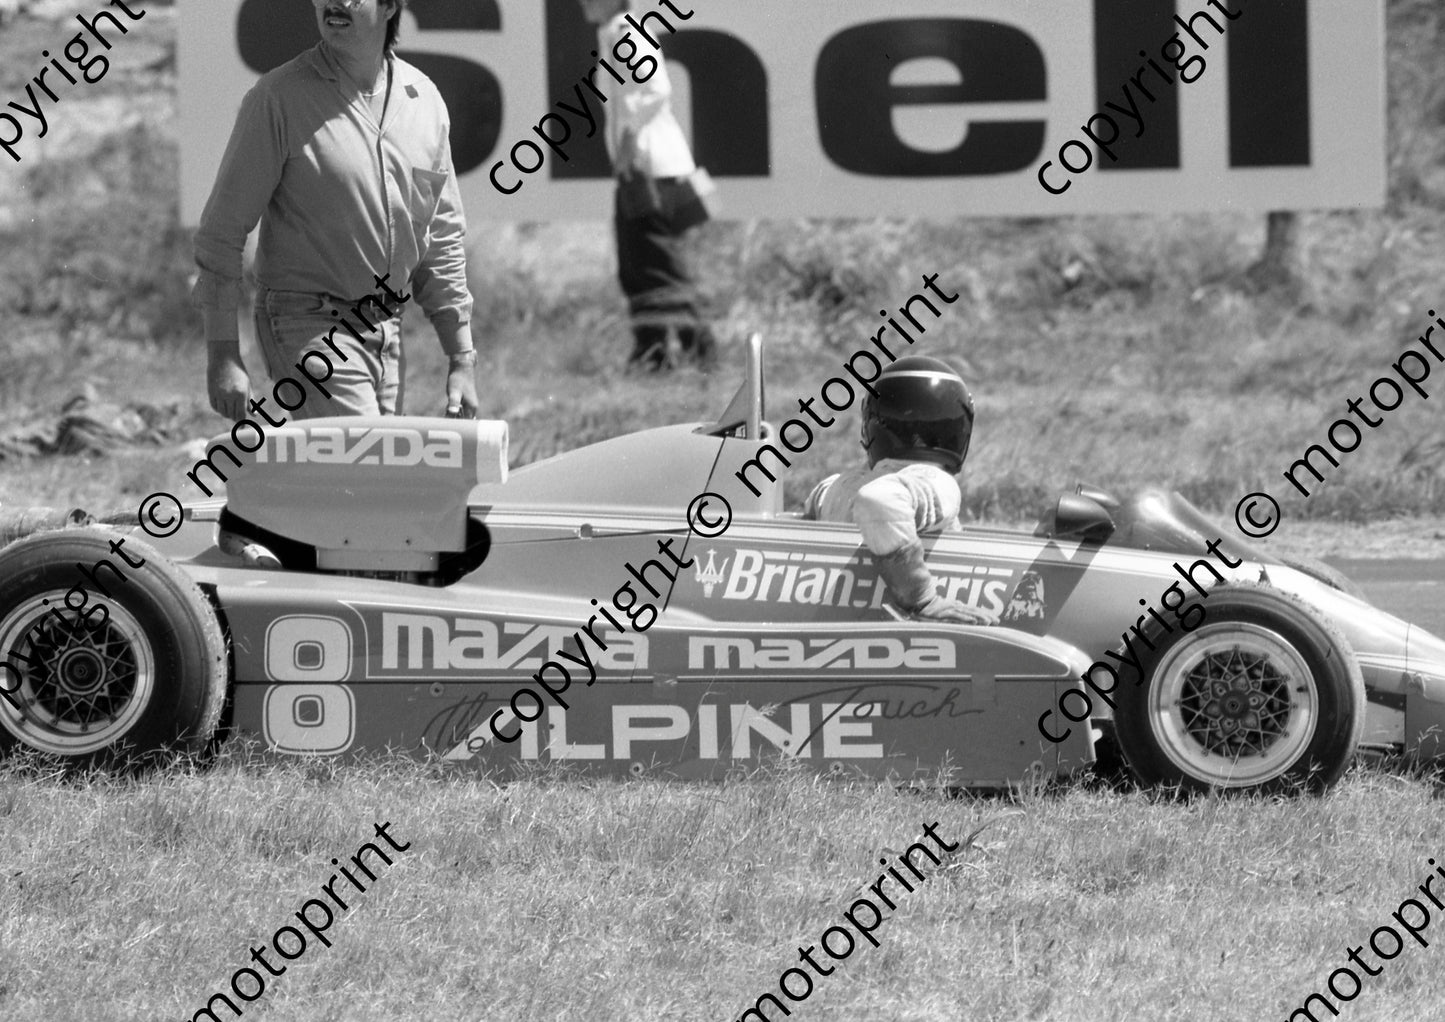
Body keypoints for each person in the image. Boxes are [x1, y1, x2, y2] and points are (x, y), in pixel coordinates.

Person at [193, 0, 479, 421]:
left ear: (391, 6)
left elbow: (440, 236)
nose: (335, 2)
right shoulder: (277, 99)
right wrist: (223, 355)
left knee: (362, 479)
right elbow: (221, 233)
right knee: (366, 472)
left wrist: (462, 358)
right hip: (306, 323)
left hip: (386, 331)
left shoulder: (425, 104)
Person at [803, 356, 997, 625]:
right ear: (958, 430)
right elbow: (878, 502)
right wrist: (922, 598)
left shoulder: (838, 486)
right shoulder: (935, 482)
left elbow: (816, 500)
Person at [578, 0, 717, 372]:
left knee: (659, 265)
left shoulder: (628, 34)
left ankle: (699, 349)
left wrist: (627, 141)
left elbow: (656, 89)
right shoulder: (613, 35)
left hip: (650, 168)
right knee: (637, 265)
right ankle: (653, 350)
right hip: (638, 170)